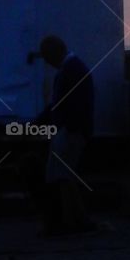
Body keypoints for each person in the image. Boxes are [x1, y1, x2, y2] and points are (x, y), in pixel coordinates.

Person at [26, 35, 95, 234]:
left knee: (60, 176)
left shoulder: (70, 70)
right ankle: (75, 220)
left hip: (70, 131)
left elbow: (64, 105)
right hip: (71, 130)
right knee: (64, 176)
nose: (48, 64)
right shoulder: (73, 68)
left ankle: (69, 221)